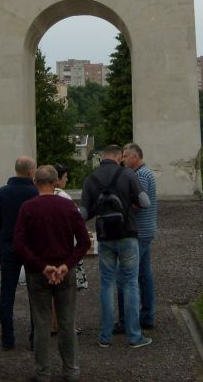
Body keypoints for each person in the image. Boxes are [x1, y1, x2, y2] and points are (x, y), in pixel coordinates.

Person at [14, 166, 90, 382]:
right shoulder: (68, 206)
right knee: (67, 322)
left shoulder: (28, 208)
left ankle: (42, 372)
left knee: (42, 323)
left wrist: (41, 265)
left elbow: (19, 243)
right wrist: (67, 265)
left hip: (38, 273)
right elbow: (84, 241)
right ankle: (71, 370)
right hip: (65, 271)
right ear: (56, 181)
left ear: (35, 182)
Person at [80, 145, 151, 348]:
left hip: (104, 237)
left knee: (107, 284)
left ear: (103, 157)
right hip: (127, 234)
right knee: (130, 284)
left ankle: (105, 336)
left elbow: (83, 214)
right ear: (119, 157)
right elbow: (145, 202)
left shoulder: (91, 179)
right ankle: (134, 336)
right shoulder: (127, 174)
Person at [0, 155, 38, 350]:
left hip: (8, 246)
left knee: (7, 294)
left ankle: (7, 338)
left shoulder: (2, 193)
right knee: (35, 294)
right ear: (31, 171)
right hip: (32, 247)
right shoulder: (35, 192)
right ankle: (35, 338)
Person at [116, 143, 158, 332]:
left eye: (126, 156)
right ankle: (147, 316)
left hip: (139, 231)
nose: (123, 160)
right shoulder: (145, 173)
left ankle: (127, 320)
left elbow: (140, 203)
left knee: (124, 275)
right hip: (146, 230)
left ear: (135, 157)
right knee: (143, 275)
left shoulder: (140, 175)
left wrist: (119, 203)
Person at [52, 164, 87, 335]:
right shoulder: (64, 197)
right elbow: (76, 220)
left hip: (48, 247)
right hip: (66, 248)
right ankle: (66, 325)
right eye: (65, 177)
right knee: (66, 291)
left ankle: (53, 323)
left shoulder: (41, 195)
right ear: (57, 179)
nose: (66, 180)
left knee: (50, 290)